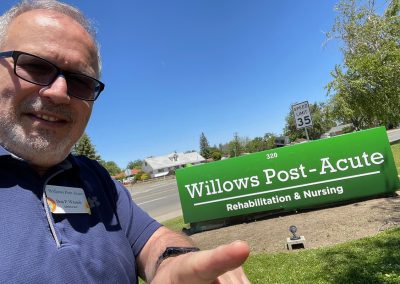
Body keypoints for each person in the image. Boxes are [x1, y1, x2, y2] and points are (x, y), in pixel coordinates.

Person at [0, 1, 250, 283]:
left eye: (80, 81)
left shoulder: (97, 179)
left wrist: (175, 260)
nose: (59, 92)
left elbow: (152, 238)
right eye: (35, 66)